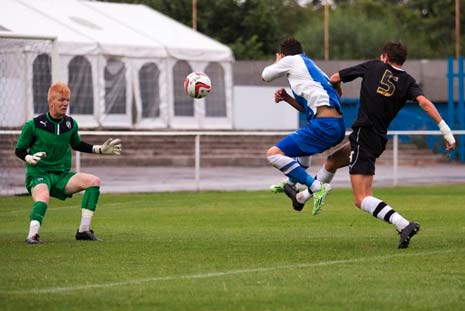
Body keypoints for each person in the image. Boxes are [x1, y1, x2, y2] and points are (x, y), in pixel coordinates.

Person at [318, 41, 456, 248]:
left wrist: (337, 89)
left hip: (364, 134)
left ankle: (403, 224)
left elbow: (334, 78)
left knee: (361, 198)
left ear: (384, 56)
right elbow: (425, 103)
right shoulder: (408, 81)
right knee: (333, 159)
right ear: (402, 60)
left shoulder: (373, 66)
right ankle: (305, 194)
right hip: (376, 139)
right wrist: (446, 131)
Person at [15, 82, 122, 244]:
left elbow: (77, 144)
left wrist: (99, 149)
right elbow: (19, 150)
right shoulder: (33, 125)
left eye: (67, 100)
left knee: (94, 181)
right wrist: (29, 158)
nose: (65, 103)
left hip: (61, 175)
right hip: (39, 174)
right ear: (51, 102)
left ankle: (83, 231)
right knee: (43, 196)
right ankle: (32, 235)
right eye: (61, 100)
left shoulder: (70, 124)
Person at [261, 37, 346, 215]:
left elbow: (265, 75)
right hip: (334, 124)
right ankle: (290, 184)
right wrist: (287, 98)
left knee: (273, 154)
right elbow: (311, 106)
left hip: (324, 125)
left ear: (284, 56)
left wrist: (279, 62)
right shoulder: (310, 67)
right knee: (302, 154)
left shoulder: (292, 60)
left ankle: (316, 187)